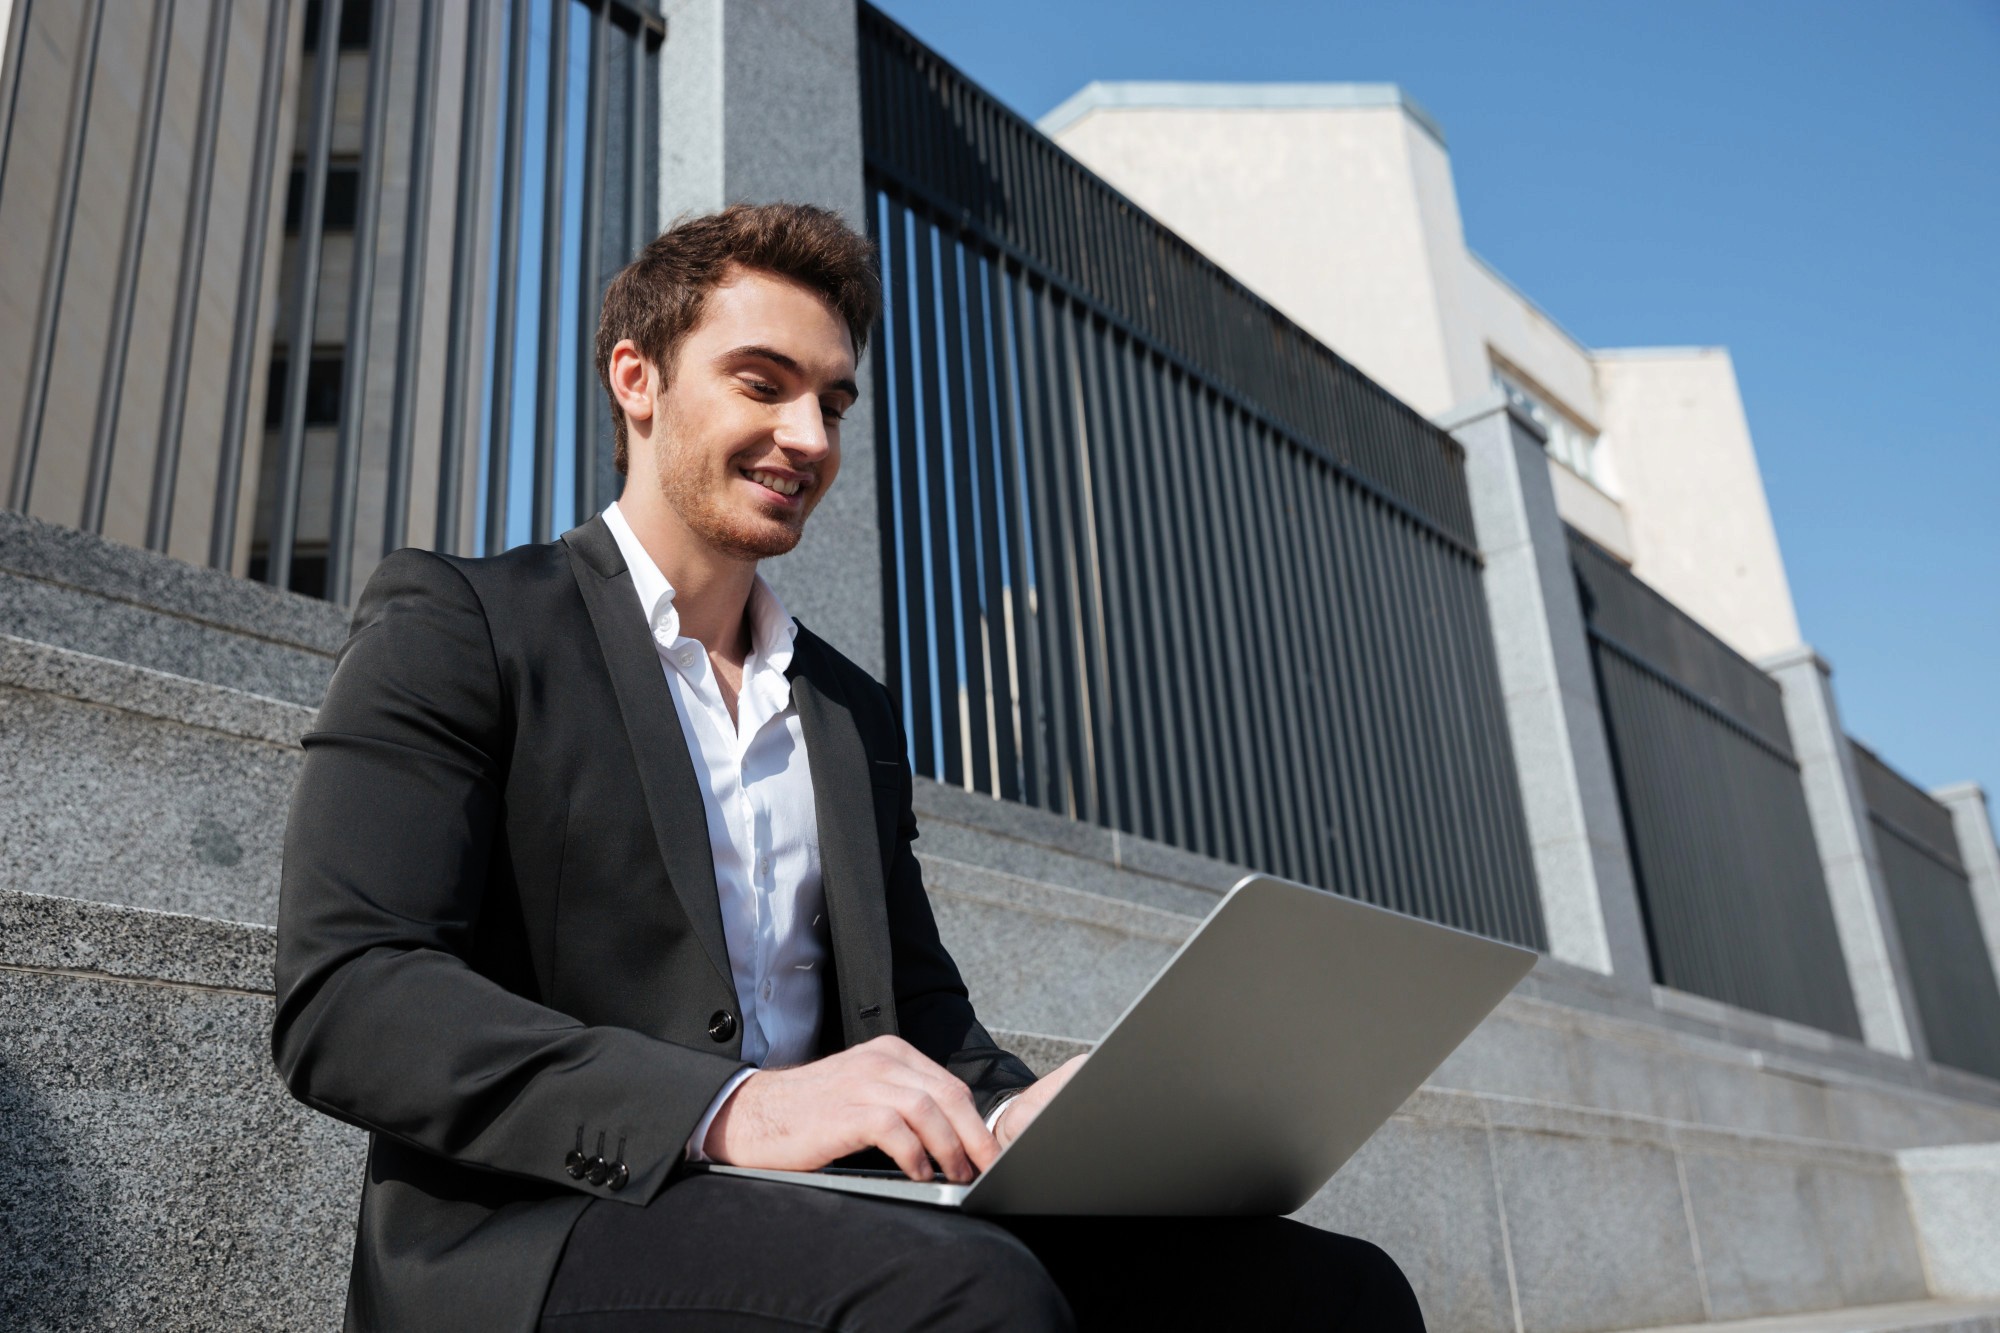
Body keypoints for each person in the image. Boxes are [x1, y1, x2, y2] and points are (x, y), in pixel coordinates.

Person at [274, 202, 1425, 1332]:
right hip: (546, 1226)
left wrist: (1030, 1112)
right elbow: (349, 995)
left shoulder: (847, 708)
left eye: (831, 401)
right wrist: (729, 1106)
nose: (811, 439)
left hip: (839, 1207)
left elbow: (921, 1019)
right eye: (762, 383)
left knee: (1331, 1290)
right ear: (638, 379)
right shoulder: (462, 620)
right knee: (964, 1290)